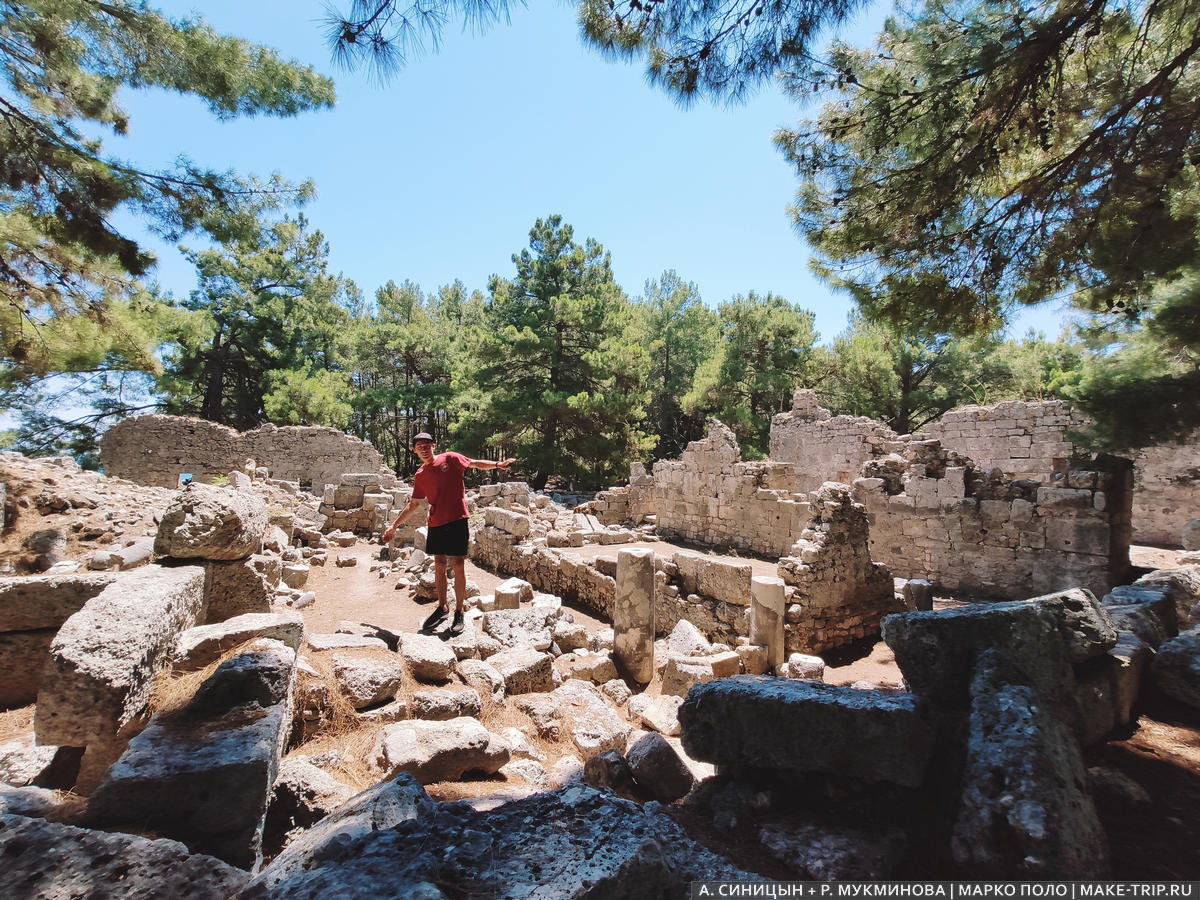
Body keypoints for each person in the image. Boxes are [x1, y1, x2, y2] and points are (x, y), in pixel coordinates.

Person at [381, 432, 516, 635]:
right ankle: (442, 607)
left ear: (433, 446)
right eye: (419, 446)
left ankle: (459, 612)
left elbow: (475, 463)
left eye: (427, 445)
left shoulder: (450, 459)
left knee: (459, 565)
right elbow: (414, 504)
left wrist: (498, 464)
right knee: (439, 565)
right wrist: (393, 526)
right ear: (415, 450)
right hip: (436, 523)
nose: (424, 449)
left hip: (457, 519)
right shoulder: (420, 474)